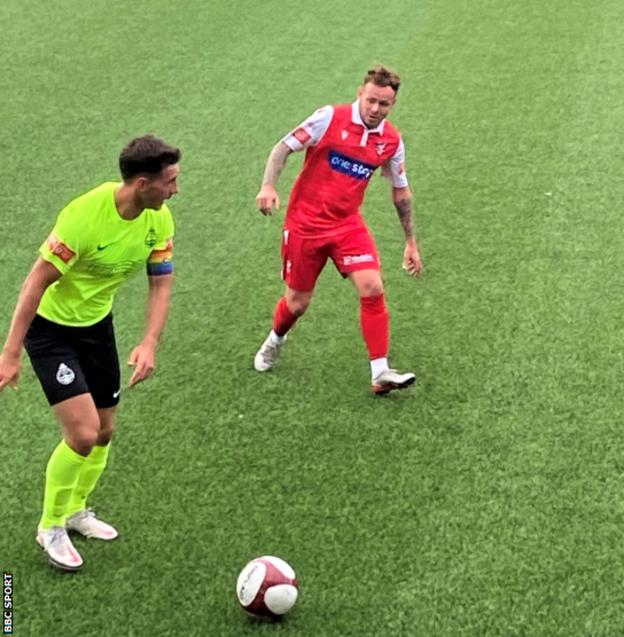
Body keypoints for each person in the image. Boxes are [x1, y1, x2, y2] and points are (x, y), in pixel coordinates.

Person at [0, 135, 181, 571]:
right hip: (50, 332)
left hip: (96, 328)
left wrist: (150, 340)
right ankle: (50, 526)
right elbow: (35, 283)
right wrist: (10, 353)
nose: (175, 189)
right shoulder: (84, 217)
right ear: (142, 183)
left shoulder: (159, 221)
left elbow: (161, 280)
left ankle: (76, 510)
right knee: (82, 433)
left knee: (104, 431)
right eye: (169, 181)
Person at [254, 65, 423, 394]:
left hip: (347, 225)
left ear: (393, 105)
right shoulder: (328, 118)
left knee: (373, 286)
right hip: (305, 225)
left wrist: (410, 242)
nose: (375, 109)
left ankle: (380, 372)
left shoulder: (391, 141)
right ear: (360, 93)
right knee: (297, 304)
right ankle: (275, 340)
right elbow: (283, 147)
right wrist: (268, 187)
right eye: (371, 100)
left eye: (384, 105)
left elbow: (401, 192)